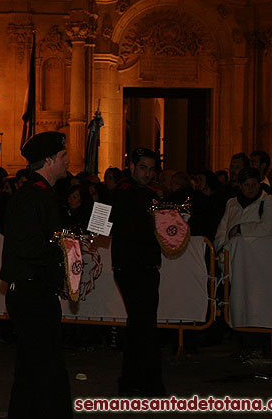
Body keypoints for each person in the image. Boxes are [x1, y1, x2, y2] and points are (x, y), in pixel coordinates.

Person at [0, 131, 72, 418]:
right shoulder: (32, 197)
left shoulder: (42, 194)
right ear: (50, 160)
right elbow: (29, 246)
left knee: (32, 369)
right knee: (45, 369)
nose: (68, 161)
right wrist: (62, 252)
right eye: (63, 156)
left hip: (36, 291)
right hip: (32, 293)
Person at [109, 147, 166, 396]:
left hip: (146, 264)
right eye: (143, 168)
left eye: (152, 169)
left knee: (141, 323)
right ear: (131, 167)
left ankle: (135, 381)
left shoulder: (150, 194)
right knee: (142, 324)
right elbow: (106, 225)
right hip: (130, 265)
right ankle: (143, 382)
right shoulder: (121, 194)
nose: (148, 173)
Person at [214, 167, 272, 252]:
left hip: (256, 256)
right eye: (247, 185)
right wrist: (221, 250)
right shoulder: (232, 203)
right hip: (232, 257)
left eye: (254, 184)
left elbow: (270, 227)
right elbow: (222, 231)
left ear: (259, 184)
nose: (251, 189)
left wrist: (240, 229)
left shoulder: (269, 200)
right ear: (240, 185)